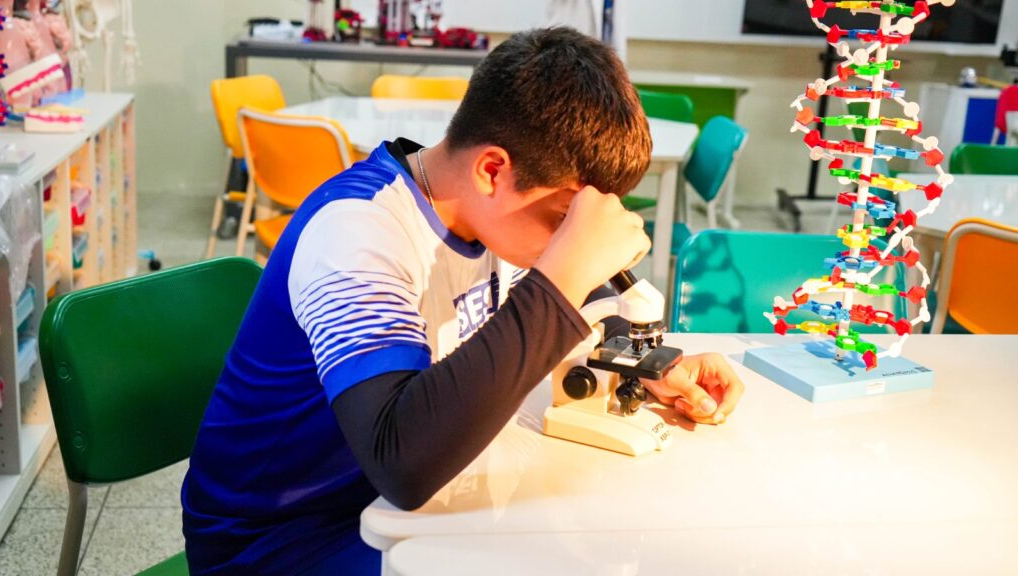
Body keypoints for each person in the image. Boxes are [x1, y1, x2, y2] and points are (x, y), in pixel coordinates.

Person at [182, 26, 744, 576]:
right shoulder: (357, 232)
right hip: (280, 539)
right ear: (492, 170)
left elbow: (584, 302)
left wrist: (645, 362)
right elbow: (401, 462)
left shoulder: (490, 215)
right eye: (563, 222)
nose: (566, 243)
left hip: (394, 506)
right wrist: (563, 271)